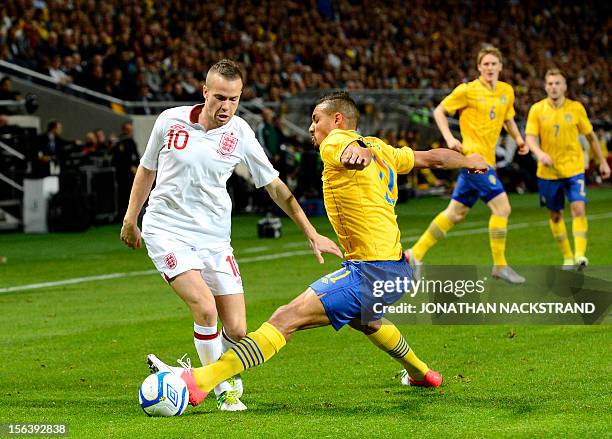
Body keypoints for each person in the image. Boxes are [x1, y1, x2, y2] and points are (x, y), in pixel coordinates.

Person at [146, 91, 489, 407]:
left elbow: (346, 152)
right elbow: (433, 159)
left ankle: (198, 382)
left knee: (285, 318)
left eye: (316, 119)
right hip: (397, 270)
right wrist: (467, 158)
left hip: (370, 271)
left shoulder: (335, 142)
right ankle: (421, 373)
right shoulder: (384, 148)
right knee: (366, 320)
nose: (312, 127)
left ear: (337, 120)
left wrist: (358, 155)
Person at [120, 60, 340, 411]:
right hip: (166, 229)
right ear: (205, 92)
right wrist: (132, 219)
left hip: (215, 239)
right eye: (219, 97)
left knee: (238, 330)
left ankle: (188, 375)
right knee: (205, 309)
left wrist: (310, 230)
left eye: (234, 99)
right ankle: (220, 386)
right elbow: (147, 169)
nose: (226, 107)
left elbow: (276, 187)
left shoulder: (240, 133)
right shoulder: (169, 121)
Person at [408, 46, 528, 284]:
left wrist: (519, 139)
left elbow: (508, 119)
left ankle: (414, 254)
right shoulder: (468, 91)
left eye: (494, 64)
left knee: (455, 213)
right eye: (486, 64)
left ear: (500, 67)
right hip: (473, 160)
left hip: (487, 160)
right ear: (479, 67)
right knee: (502, 208)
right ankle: (500, 266)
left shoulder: (506, 91)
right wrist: (450, 138)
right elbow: (439, 111)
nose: (490, 68)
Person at [525, 69, 610, 270]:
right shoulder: (537, 109)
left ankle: (580, 255)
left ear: (564, 86)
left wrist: (603, 162)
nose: (554, 87)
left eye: (557, 83)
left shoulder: (576, 108)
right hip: (548, 172)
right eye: (550, 83)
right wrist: (539, 153)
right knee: (555, 215)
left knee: (578, 208)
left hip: (573, 168)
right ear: (545, 86)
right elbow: (530, 137)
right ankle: (568, 257)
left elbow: (590, 136)